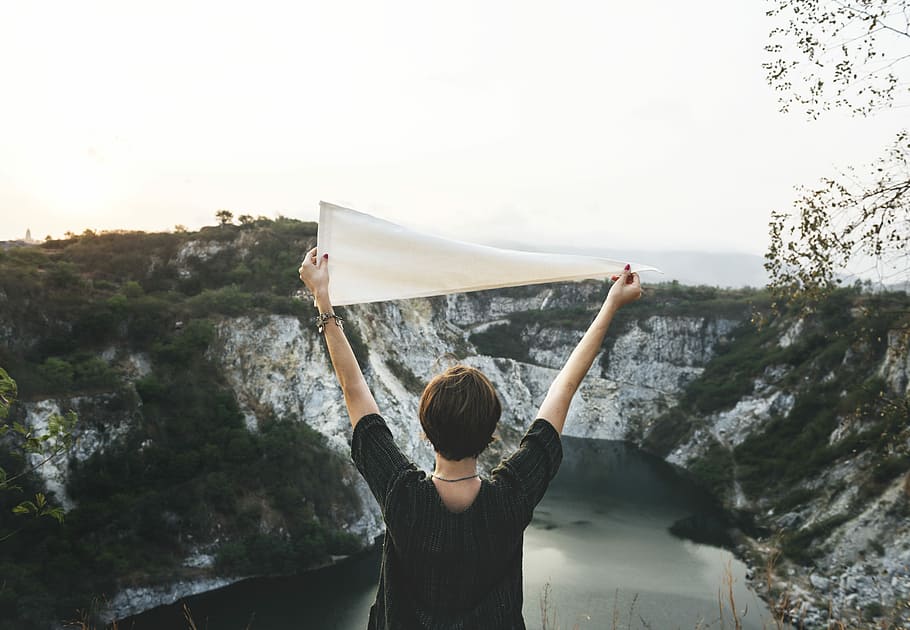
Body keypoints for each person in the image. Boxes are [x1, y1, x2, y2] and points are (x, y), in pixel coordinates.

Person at [298, 248, 642, 630]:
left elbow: (354, 389)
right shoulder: (512, 497)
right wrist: (611, 305)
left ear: (425, 431)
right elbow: (564, 389)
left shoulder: (402, 496)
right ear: (492, 433)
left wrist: (322, 298)